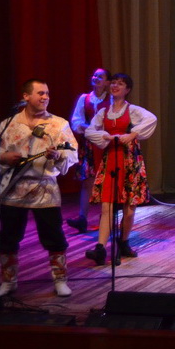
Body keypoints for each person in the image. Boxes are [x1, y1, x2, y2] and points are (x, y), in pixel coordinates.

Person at [0, 79, 78, 297]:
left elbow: (72, 150)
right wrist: (4, 157)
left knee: (53, 235)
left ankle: (60, 279)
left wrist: (58, 155)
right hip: (14, 188)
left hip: (44, 187)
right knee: (9, 236)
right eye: (40, 93)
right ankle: (8, 281)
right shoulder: (9, 123)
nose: (45, 97)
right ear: (26, 96)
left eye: (47, 93)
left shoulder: (58, 124)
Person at [84, 73, 157, 265]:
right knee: (107, 206)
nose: (115, 86)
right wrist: (104, 136)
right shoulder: (103, 112)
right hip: (111, 160)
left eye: (121, 84)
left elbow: (151, 119)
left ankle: (123, 242)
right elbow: (90, 131)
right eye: (114, 83)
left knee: (129, 209)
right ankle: (100, 248)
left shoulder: (132, 110)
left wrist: (133, 134)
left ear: (127, 90)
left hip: (129, 159)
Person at [66, 68, 110, 234]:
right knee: (87, 182)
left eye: (100, 76)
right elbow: (76, 121)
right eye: (94, 75)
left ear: (107, 82)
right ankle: (82, 218)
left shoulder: (112, 100)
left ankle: (106, 218)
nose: (96, 78)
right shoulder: (84, 98)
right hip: (90, 145)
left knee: (107, 182)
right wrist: (90, 128)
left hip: (106, 145)